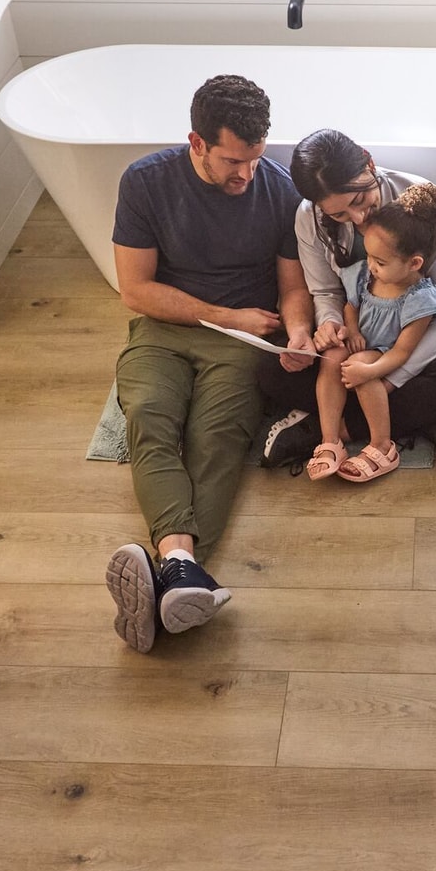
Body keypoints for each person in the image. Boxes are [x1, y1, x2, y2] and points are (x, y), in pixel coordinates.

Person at [104, 74, 315, 654]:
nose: (245, 175)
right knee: (150, 416)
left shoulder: (278, 190)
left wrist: (296, 331)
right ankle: (184, 574)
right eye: (231, 161)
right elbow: (136, 290)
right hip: (168, 325)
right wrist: (229, 315)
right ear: (195, 142)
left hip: (246, 337)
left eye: (255, 158)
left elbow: (292, 287)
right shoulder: (145, 182)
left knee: (218, 437)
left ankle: (172, 568)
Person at [259, 129, 436, 466]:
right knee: (270, 371)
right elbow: (325, 291)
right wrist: (330, 326)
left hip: (407, 337)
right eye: (338, 215)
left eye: (358, 201)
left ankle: (334, 430)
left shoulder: (423, 211)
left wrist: (384, 377)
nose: (359, 219)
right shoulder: (308, 217)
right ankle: (422, 419)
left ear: (369, 163)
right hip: (354, 339)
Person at [307, 184, 436, 483]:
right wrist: (350, 328)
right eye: (371, 257)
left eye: (381, 262)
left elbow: (402, 352)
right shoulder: (365, 274)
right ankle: (330, 440)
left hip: (384, 351)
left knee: (358, 365)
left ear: (414, 263)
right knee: (332, 355)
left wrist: (371, 371)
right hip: (358, 338)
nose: (371, 266)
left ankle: (382, 446)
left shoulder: (420, 298)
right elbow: (350, 304)